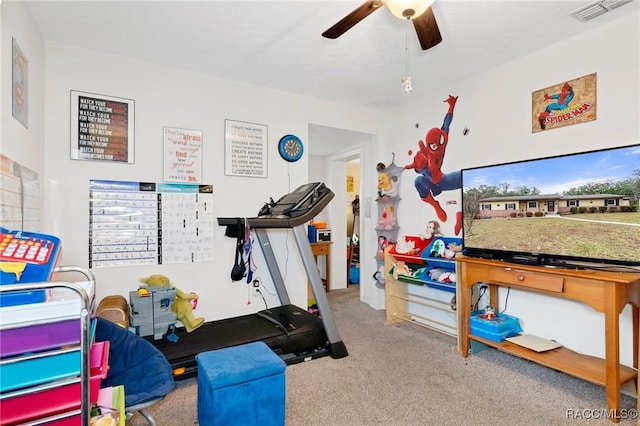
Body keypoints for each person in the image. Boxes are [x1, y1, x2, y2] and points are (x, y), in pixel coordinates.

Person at [405, 95, 461, 222]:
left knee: (466, 176)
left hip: (442, 181)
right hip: (432, 181)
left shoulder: (443, 137)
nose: (440, 145)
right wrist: (425, 166)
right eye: (435, 146)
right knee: (418, 181)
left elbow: (446, 123)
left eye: (441, 140)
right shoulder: (427, 156)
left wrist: (452, 106)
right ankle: (434, 203)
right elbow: (423, 171)